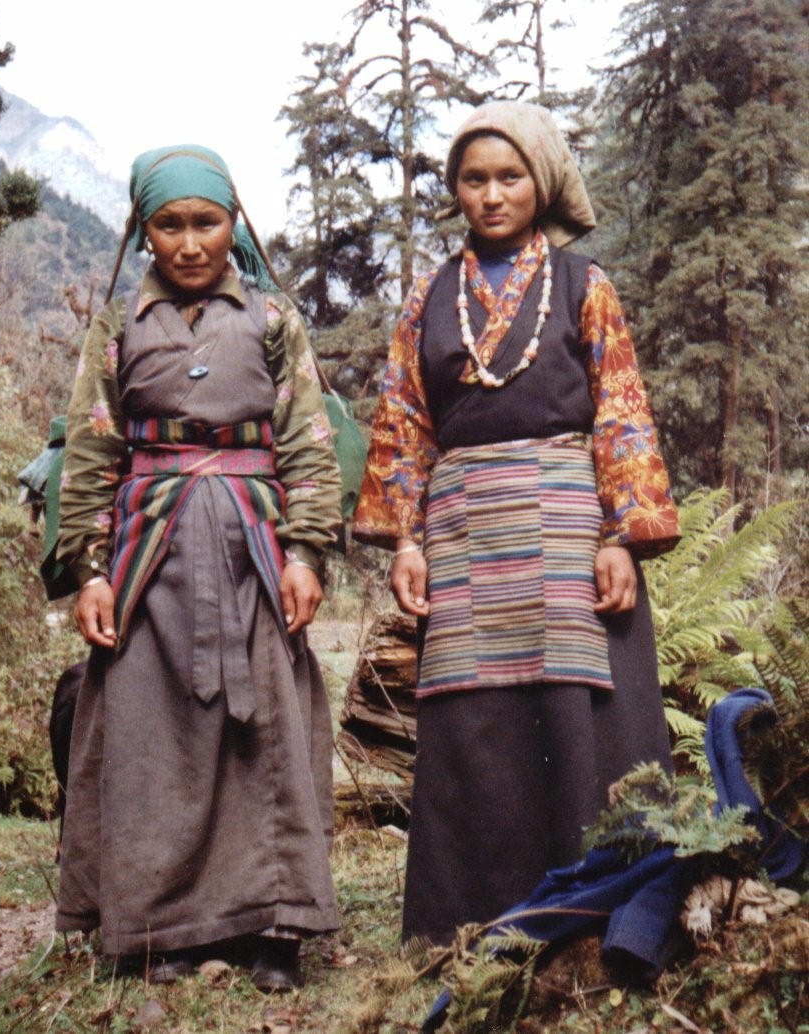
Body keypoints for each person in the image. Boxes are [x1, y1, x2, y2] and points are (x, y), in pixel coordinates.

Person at [353, 101, 682, 947]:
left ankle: (601, 914)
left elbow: (622, 412)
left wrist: (620, 537)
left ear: (543, 183)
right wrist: (407, 540)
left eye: (510, 176)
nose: (492, 195)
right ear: (456, 191)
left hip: (572, 518)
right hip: (463, 524)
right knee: (473, 719)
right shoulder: (430, 296)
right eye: (474, 179)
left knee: (581, 711)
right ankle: (465, 928)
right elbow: (402, 422)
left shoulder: (585, 286)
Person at [54, 144, 342, 989]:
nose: (188, 243)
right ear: (145, 231)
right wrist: (92, 571)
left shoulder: (271, 320)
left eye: (205, 223)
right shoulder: (119, 328)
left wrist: (307, 552)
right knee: (151, 732)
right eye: (169, 225)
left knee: (267, 731)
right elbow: (90, 449)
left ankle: (275, 927)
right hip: (150, 552)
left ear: (233, 223)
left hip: (254, 545)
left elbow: (309, 446)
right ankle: (157, 930)